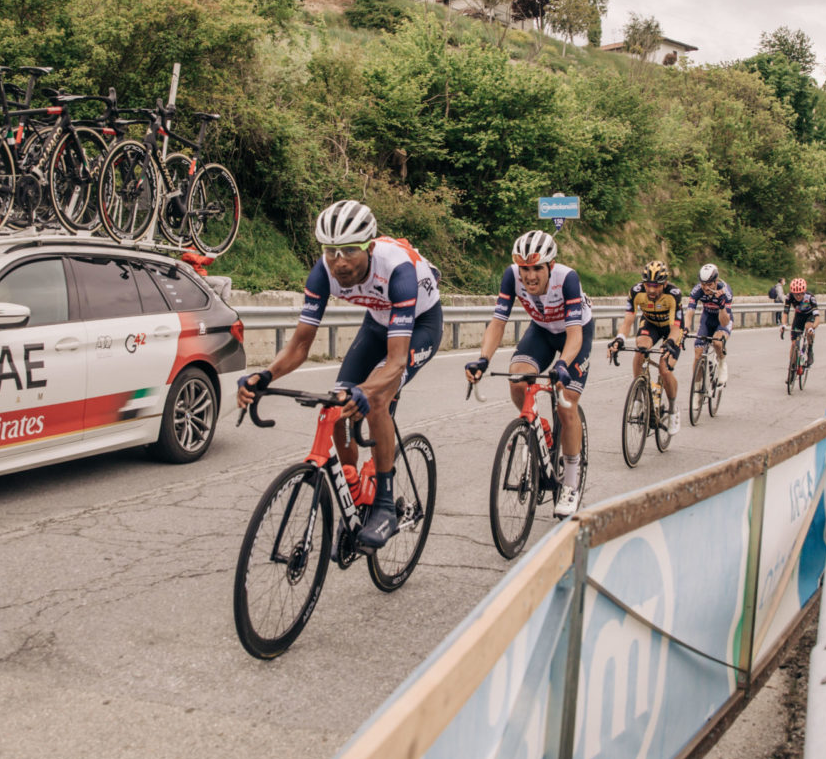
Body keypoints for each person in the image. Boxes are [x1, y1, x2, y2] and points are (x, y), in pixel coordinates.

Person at [236, 200, 442, 549]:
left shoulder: (398, 271)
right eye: (330, 251)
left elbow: (395, 362)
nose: (339, 261)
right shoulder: (323, 272)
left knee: (377, 399)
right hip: (378, 322)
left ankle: (384, 505)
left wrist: (366, 390)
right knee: (337, 405)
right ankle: (354, 492)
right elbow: (300, 345)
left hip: (421, 324)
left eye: (349, 250)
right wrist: (265, 376)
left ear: (370, 247)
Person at [465, 230, 592, 518]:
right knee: (517, 379)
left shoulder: (567, 279)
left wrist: (563, 364)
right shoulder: (511, 276)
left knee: (566, 404)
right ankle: (540, 429)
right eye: (524, 268)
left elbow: (574, 333)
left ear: (550, 265)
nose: (530, 276)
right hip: (542, 331)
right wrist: (483, 360)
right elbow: (498, 322)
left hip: (575, 334)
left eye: (537, 268)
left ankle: (571, 481)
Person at [608, 261, 686, 433]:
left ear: (664, 284)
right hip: (651, 324)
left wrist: (670, 342)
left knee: (665, 369)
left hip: (671, 328)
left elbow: (675, 328)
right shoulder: (636, 291)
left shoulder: (673, 294)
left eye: (656, 286)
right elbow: (628, 321)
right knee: (640, 349)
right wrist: (619, 339)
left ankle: (673, 409)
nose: (651, 290)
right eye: (648, 285)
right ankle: (638, 396)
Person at [688, 262, 735, 387]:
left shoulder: (725, 291)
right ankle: (697, 389)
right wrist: (685, 328)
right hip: (707, 318)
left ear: (716, 281)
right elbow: (689, 312)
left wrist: (721, 306)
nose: (706, 288)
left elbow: (725, 322)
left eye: (709, 284)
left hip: (723, 318)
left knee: (717, 342)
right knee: (698, 353)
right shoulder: (697, 290)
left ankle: (722, 363)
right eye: (703, 284)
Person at [782, 277, 820, 366]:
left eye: (800, 294)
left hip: (809, 315)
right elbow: (785, 313)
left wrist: (813, 328)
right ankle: (792, 367)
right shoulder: (789, 297)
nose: (798, 296)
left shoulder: (810, 297)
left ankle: (810, 349)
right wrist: (783, 325)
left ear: (804, 292)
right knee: (794, 344)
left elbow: (817, 317)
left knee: (808, 327)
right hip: (799, 316)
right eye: (796, 294)